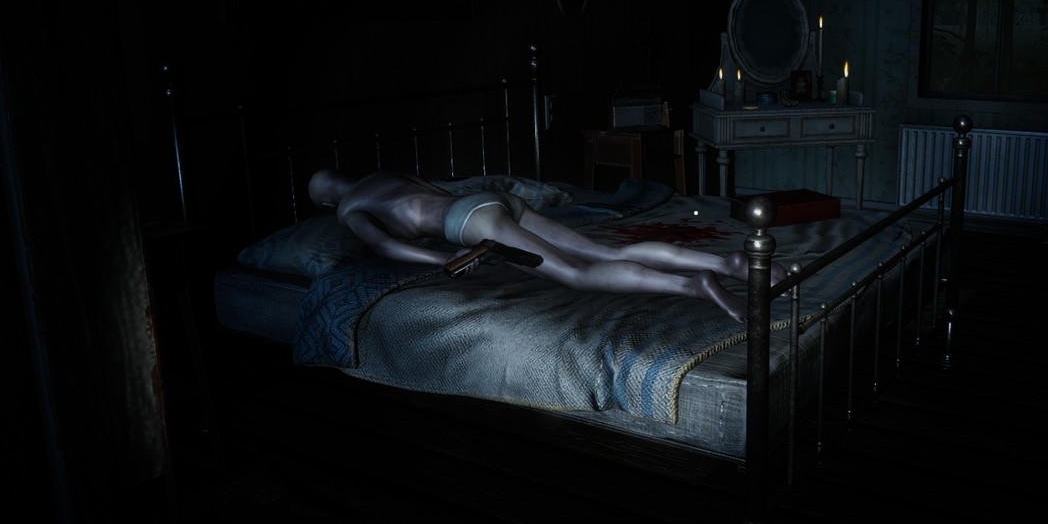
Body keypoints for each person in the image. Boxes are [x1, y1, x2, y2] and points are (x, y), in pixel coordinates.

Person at [308, 169, 757, 322]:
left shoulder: (348, 209)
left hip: (472, 221)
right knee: (608, 252)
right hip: (489, 200)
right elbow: (439, 192)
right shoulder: (382, 176)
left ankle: (694, 287)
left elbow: (386, 247)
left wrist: (444, 257)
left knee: (579, 276)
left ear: (327, 203)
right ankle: (727, 262)